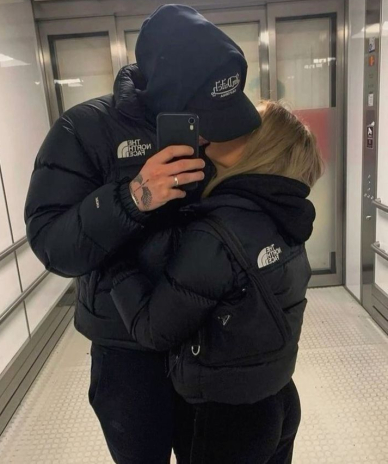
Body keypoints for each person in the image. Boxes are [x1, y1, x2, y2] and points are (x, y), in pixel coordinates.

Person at [24, 4, 261, 464]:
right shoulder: (84, 129)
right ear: (166, 95)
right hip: (126, 349)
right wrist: (132, 198)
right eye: (204, 114)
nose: (213, 133)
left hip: (209, 336)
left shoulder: (221, 130)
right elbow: (52, 245)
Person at [110, 100, 324, 464]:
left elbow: (153, 329)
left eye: (240, 124)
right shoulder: (288, 215)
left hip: (229, 421)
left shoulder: (217, 234)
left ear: (258, 147)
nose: (223, 126)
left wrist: (113, 258)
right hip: (280, 398)